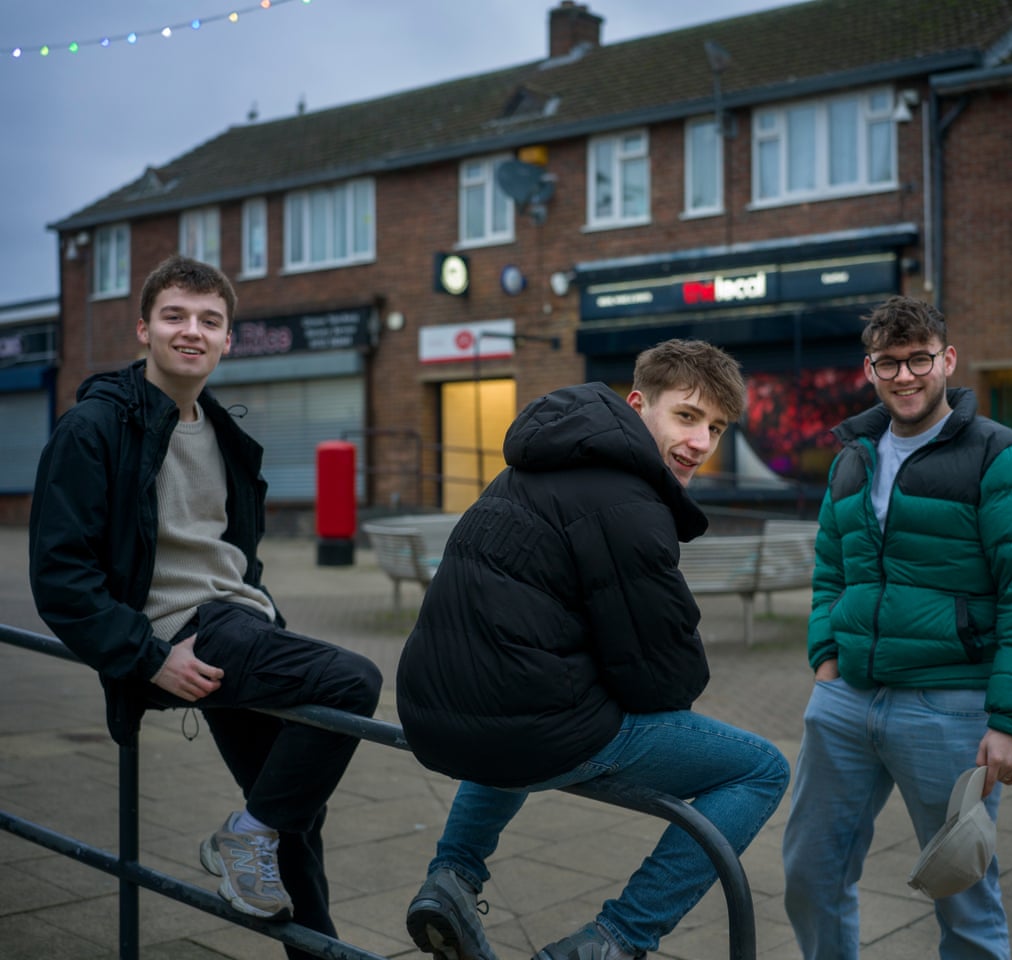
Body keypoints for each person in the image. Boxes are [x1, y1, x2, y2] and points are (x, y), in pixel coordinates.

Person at [28, 254, 382, 959]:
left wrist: (262, 615)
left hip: (239, 625)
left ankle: (261, 855)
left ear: (228, 340)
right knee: (354, 680)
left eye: (209, 320)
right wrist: (149, 658)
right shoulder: (94, 428)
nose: (192, 331)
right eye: (175, 316)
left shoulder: (223, 433)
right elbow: (59, 577)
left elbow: (232, 555)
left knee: (292, 823)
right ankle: (242, 836)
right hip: (183, 635)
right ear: (143, 330)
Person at [395, 339, 791, 960]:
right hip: (530, 727)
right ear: (638, 406)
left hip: (433, 711)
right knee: (761, 768)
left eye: (716, 428)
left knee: (523, 703)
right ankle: (618, 938)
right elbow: (665, 676)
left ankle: (451, 877)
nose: (700, 443)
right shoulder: (628, 499)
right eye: (686, 417)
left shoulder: (533, 464)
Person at [780, 296, 1012, 959]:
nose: (904, 377)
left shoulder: (1006, 458)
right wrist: (826, 655)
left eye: (919, 360)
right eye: (889, 363)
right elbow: (831, 565)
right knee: (808, 875)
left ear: (947, 359)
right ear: (870, 368)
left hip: (951, 710)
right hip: (846, 703)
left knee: (963, 897)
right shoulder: (852, 456)